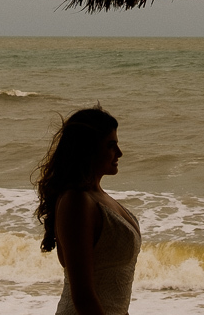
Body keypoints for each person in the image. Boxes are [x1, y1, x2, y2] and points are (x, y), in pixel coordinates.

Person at [35, 107, 141, 315]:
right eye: (111, 146)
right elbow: (83, 296)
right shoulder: (77, 201)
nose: (119, 153)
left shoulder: (98, 197)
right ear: (89, 149)